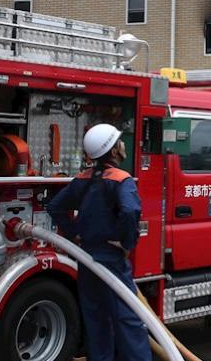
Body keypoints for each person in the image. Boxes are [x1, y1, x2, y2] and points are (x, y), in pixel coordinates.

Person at [48, 123, 151, 361]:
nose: (123, 145)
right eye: (119, 142)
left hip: (87, 260)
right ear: (114, 151)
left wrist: (74, 233)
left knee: (96, 321)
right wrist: (127, 243)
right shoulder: (121, 180)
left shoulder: (82, 180)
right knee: (128, 320)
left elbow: (55, 207)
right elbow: (129, 211)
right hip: (112, 261)